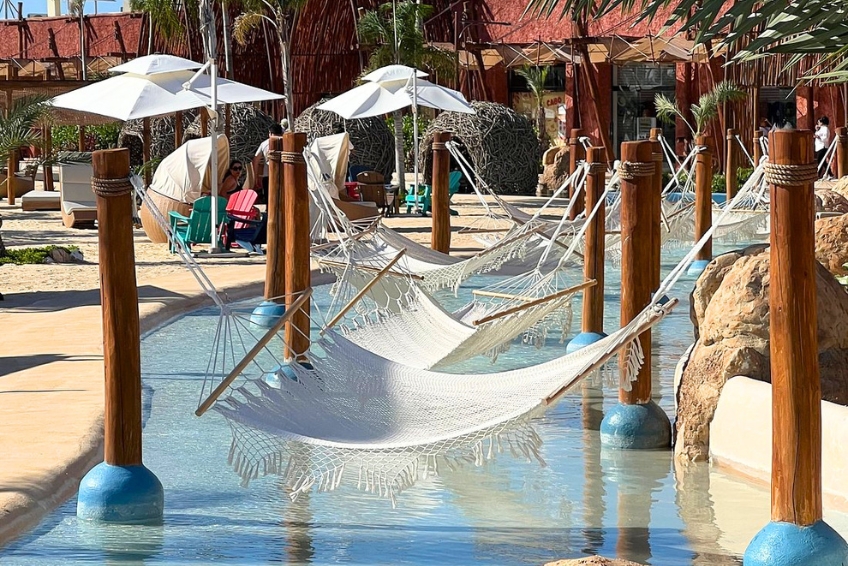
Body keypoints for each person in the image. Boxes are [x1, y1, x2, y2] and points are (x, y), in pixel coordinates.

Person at [253, 123, 285, 203]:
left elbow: (255, 160)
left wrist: (256, 177)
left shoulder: (264, 144)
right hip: (284, 174)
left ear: (270, 133)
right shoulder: (287, 142)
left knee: (269, 200)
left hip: (268, 175)